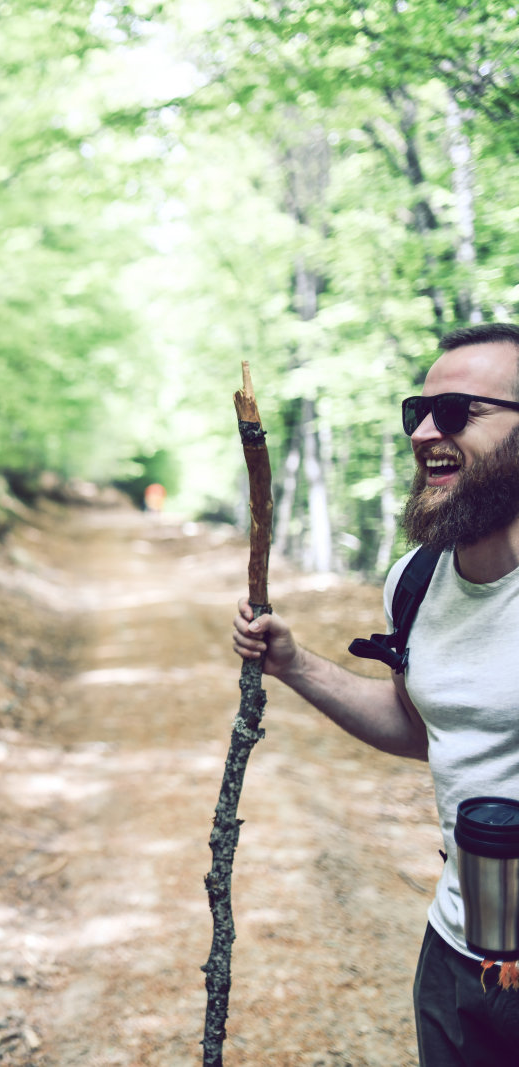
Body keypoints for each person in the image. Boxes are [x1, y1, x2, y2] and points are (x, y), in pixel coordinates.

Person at [231, 323, 519, 1065]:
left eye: (457, 412)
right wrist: (296, 663)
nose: (426, 431)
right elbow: (422, 726)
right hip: (460, 953)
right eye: (417, 412)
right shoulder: (417, 582)